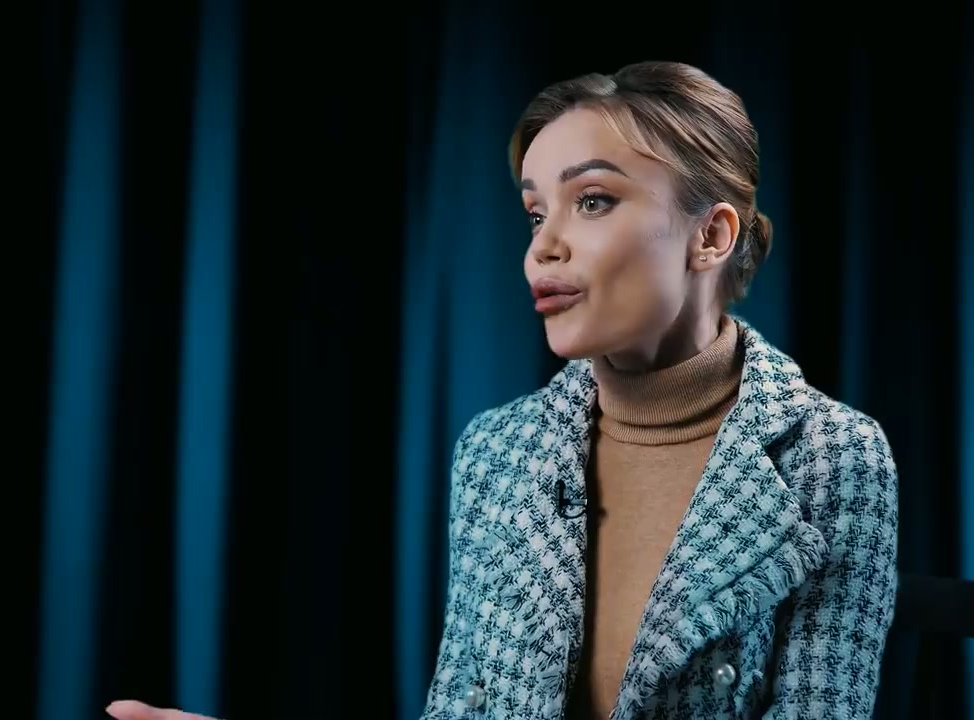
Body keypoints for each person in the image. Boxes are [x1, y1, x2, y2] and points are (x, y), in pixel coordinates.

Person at [107, 60, 899, 720]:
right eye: (533, 213)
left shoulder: (835, 457)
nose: (542, 247)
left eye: (592, 201)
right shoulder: (496, 450)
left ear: (712, 235)